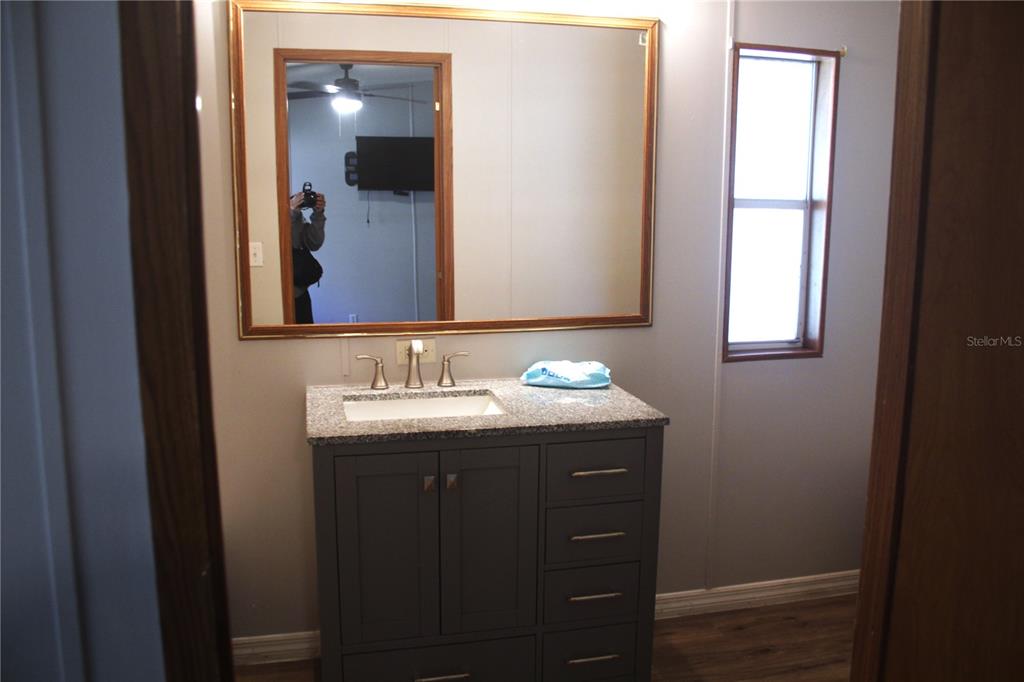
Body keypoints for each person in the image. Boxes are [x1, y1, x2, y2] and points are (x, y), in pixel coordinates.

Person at [289, 189, 326, 324]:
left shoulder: (299, 219)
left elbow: (315, 243)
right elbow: (282, 242)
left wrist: (318, 214)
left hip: (301, 293)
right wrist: (291, 212)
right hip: (284, 292)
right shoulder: (279, 217)